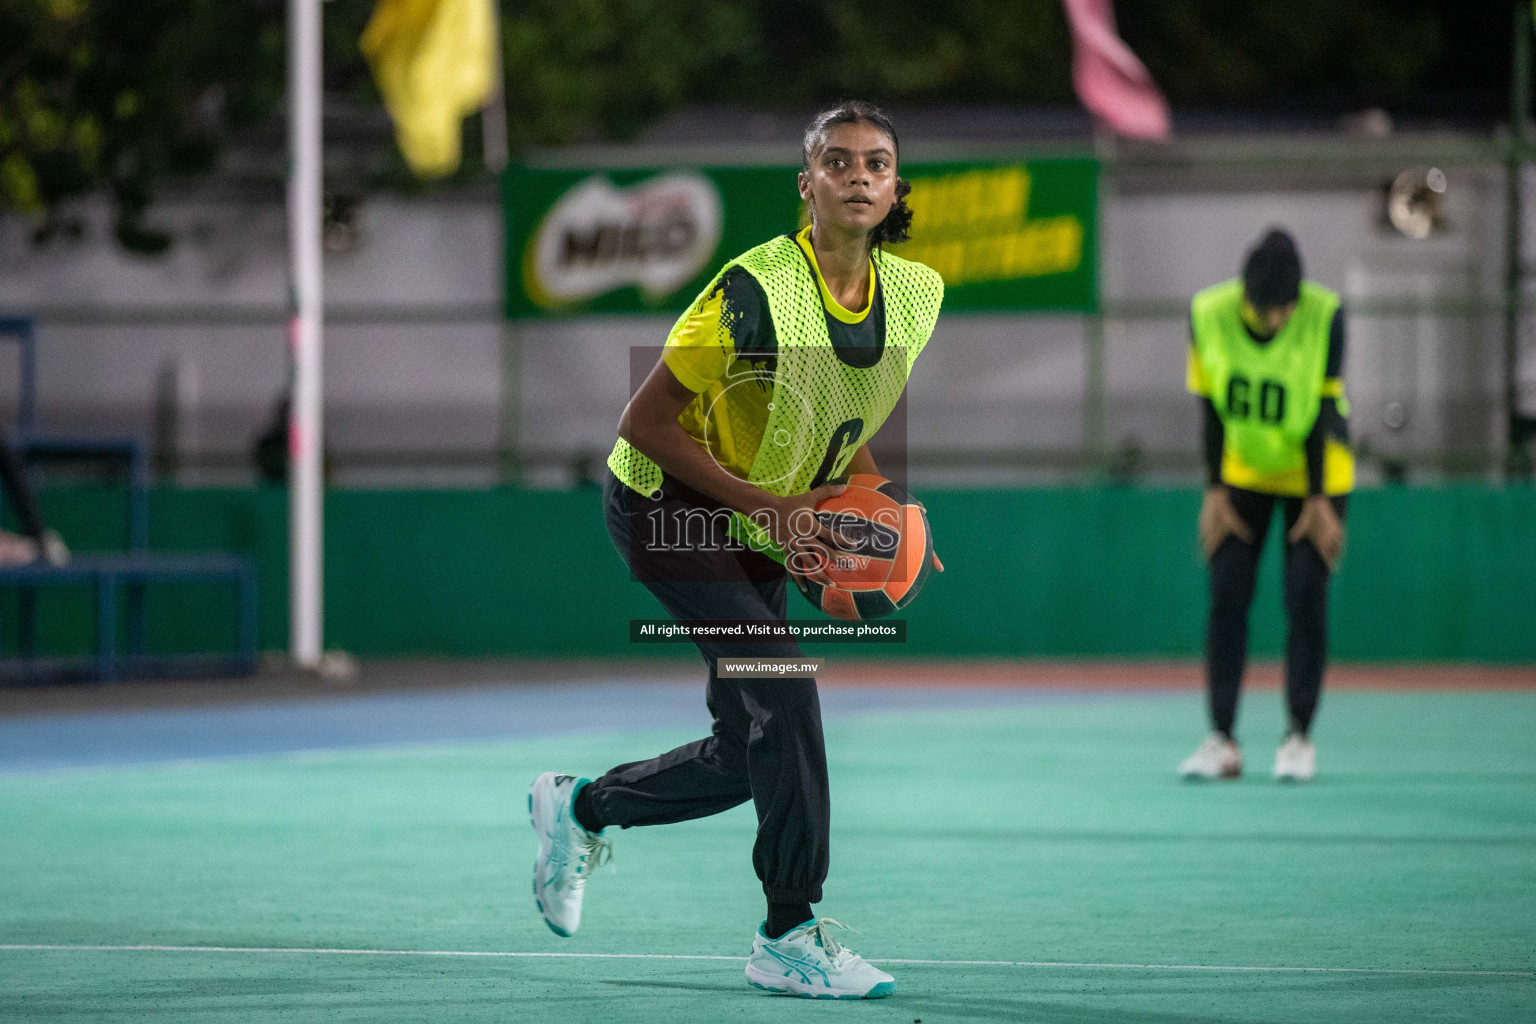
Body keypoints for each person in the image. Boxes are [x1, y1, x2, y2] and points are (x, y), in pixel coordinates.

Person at [527, 100, 944, 999]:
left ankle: (580, 805)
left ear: (896, 186)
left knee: (749, 747)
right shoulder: (754, 289)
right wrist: (779, 512)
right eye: (838, 162)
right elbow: (644, 422)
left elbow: (848, 428)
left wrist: (872, 525)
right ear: (809, 186)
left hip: (765, 512)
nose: (859, 175)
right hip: (664, 502)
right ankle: (788, 933)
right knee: (787, 695)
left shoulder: (916, 296)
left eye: (876, 163)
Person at [1179, 228, 1351, 783]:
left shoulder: (1325, 315)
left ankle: (1299, 737)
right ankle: (1221, 738)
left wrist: (1321, 499)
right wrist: (1213, 490)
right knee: (1226, 591)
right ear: (1246, 295)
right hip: (1244, 471)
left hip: (1315, 470)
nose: (1278, 319)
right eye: (1268, 309)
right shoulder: (1209, 313)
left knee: (1304, 592)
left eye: (1286, 308)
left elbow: (1324, 411)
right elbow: (1208, 407)